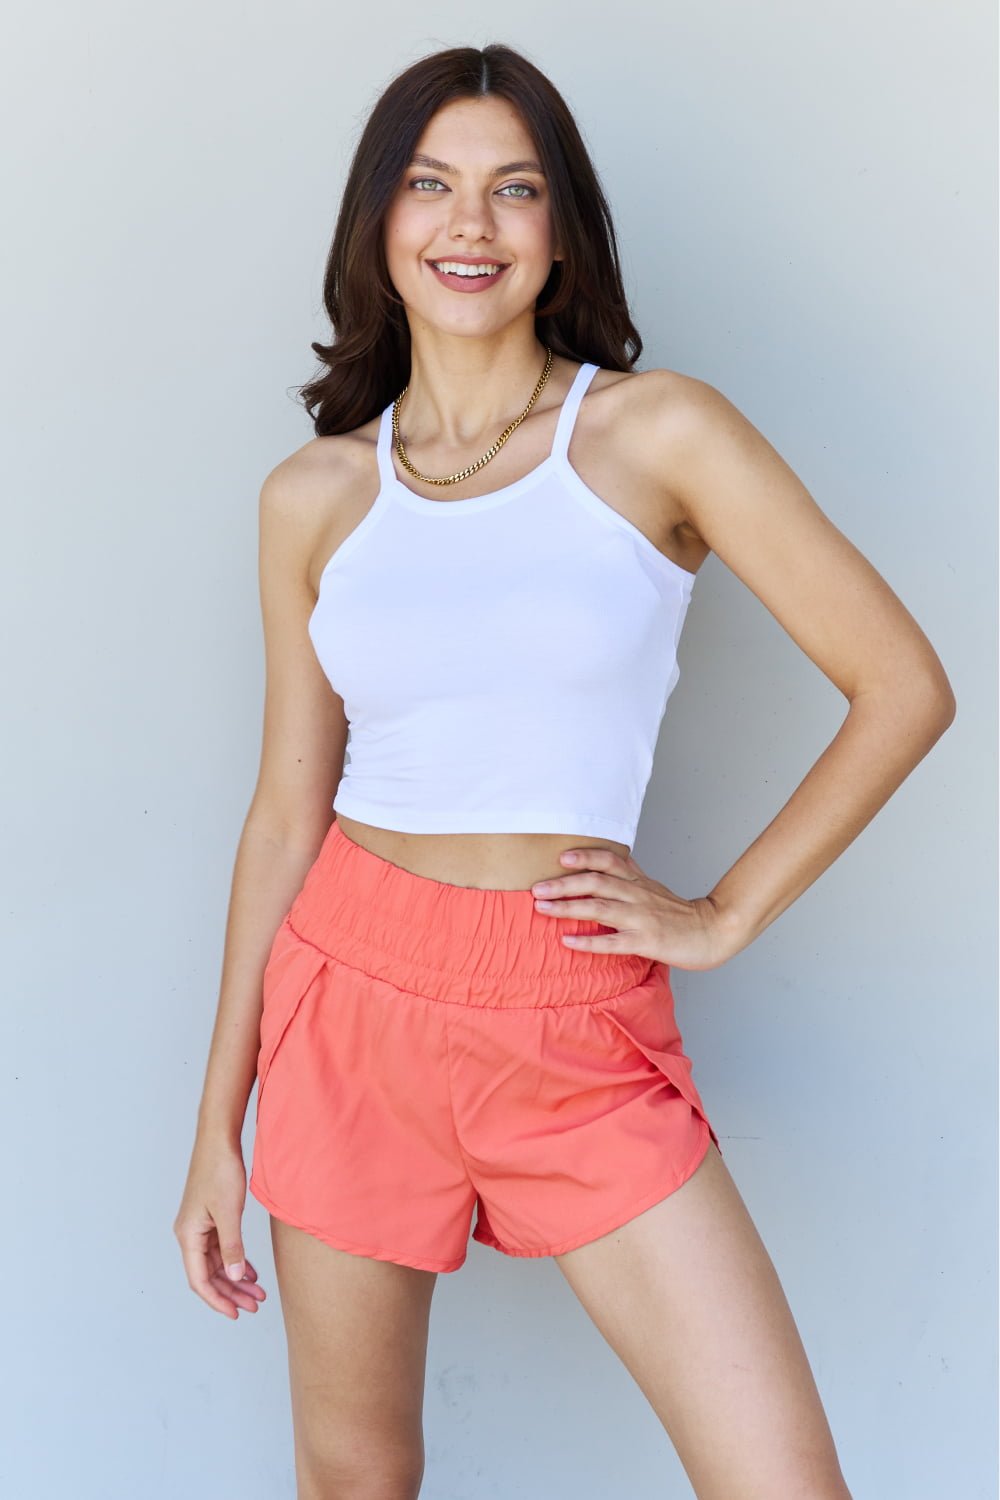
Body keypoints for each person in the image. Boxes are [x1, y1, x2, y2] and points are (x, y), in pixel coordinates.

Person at [173, 42, 955, 1500]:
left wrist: (722, 916)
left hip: (570, 1004)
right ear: (380, 223)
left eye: (513, 190)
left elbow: (904, 687)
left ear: (560, 228)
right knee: (355, 1484)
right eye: (432, 186)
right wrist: (216, 1124)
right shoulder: (315, 493)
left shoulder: (660, 433)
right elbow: (287, 809)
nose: (469, 227)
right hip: (345, 1003)